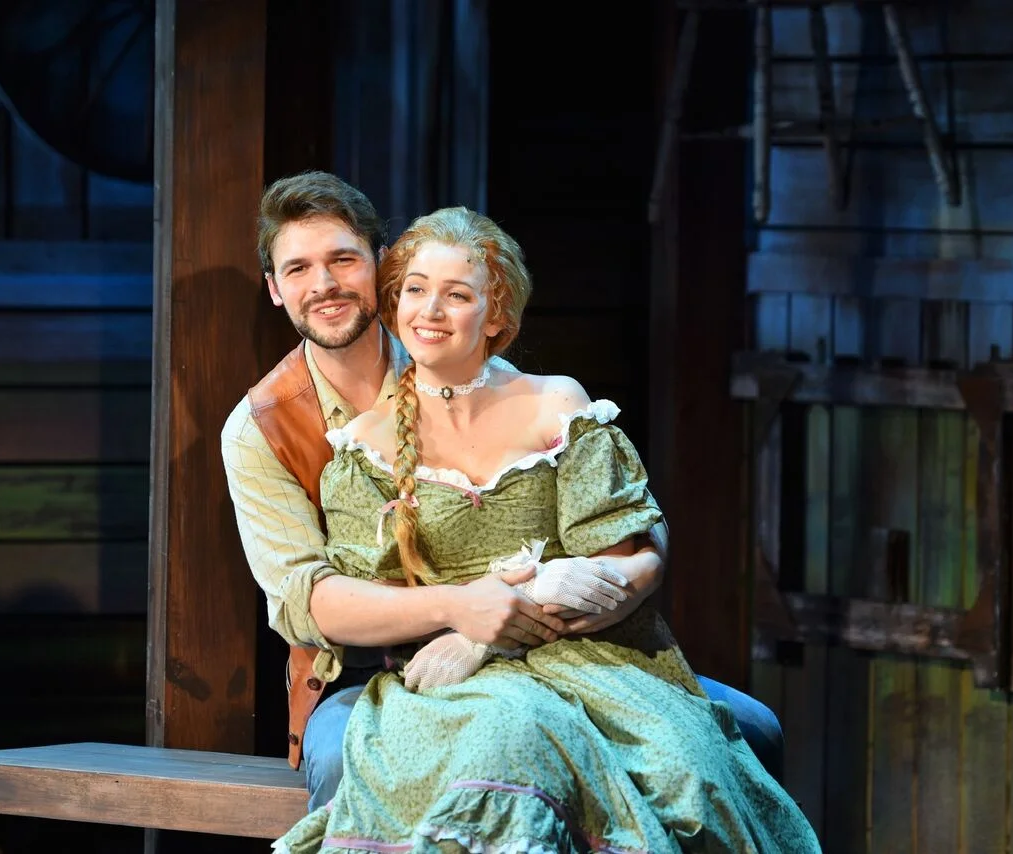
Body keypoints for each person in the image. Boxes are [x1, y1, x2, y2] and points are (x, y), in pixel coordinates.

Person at [220, 171, 785, 815]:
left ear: (379, 266)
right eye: (297, 269)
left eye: (342, 260)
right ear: (274, 288)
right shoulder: (261, 427)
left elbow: (592, 495)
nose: (323, 286)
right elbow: (307, 598)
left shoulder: (446, 345)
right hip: (366, 664)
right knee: (342, 763)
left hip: (537, 639)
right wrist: (462, 608)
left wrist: (625, 558)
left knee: (749, 731)